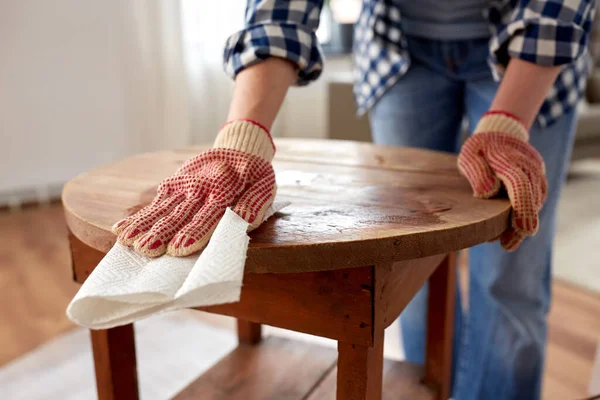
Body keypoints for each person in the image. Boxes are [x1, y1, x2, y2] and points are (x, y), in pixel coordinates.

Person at [112, 1, 597, 398]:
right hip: (400, 47)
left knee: (512, 272)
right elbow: (281, 10)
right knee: (412, 262)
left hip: (533, 46)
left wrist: (510, 119)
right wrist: (244, 133)